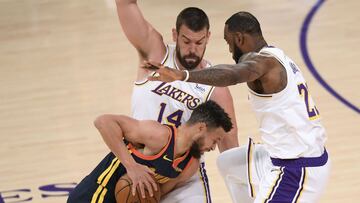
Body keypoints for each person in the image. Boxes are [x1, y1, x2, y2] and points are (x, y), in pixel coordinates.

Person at [142, 11, 330, 203]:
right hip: (280, 156)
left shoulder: (263, 63)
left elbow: (233, 73)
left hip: (297, 169)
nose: (230, 51)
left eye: (228, 42)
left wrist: (184, 76)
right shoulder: (277, 55)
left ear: (239, 38)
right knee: (229, 163)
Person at [115, 0, 239, 202]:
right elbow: (125, 5)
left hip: (183, 178)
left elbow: (230, 149)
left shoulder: (215, 86)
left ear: (208, 37)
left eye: (199, 43)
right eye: (186, 41)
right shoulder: (155, 52)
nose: (192, 49)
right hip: (139, 165)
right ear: (175, 35)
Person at [67, 101, 233, 203]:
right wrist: (131, 166)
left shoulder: (190, 165)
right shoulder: (158, 135)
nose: (213, 148)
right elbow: (103, 122)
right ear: (201, 128)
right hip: (94, 195)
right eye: (215, 140)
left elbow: (156, 196)